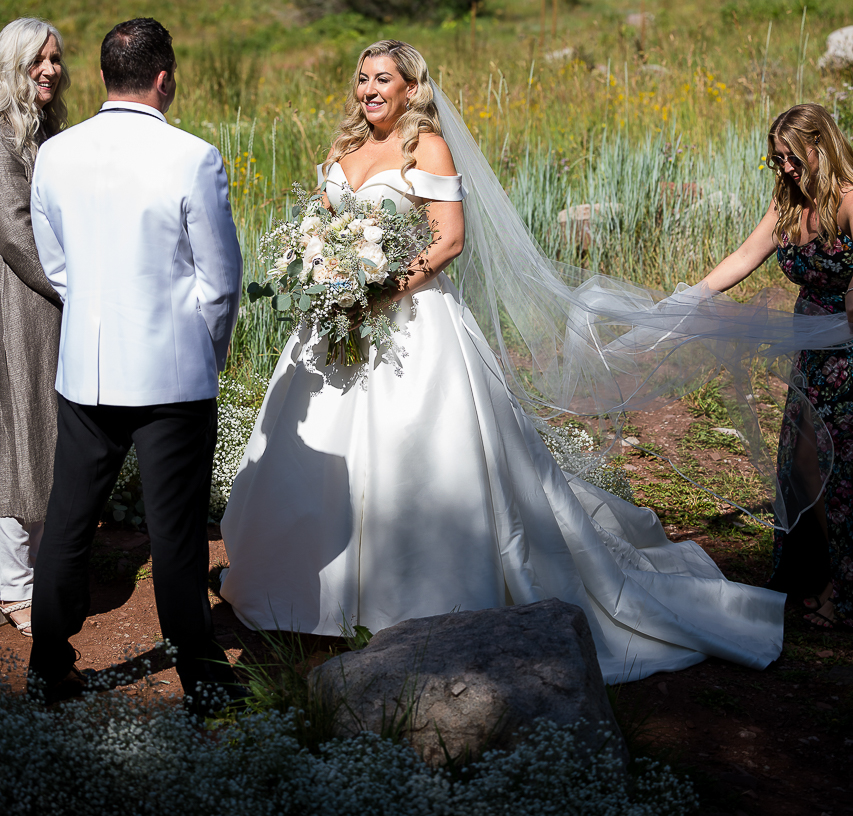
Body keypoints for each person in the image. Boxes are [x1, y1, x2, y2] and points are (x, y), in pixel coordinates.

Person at [220, 40, 788, 684]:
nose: (369, 90)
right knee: (316, 453)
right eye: (362, 79)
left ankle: (409, 599)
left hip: (409, 324)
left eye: (383, 79)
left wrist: (380, 289)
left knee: (418, 453)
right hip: (337, 324)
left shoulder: (424, 146)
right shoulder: (341, 150)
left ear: (411, 88)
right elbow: (319, 228)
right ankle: (304, 592)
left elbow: (450, 237)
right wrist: (322, 271)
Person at [28, 18, 244, 704]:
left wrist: (93, 314)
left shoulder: (56, 153)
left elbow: (54, 263)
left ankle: (46, 668)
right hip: (170, 373)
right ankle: (202, 678)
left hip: (85, 370)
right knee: (175, 530)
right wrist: (205, 352)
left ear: (100, 77)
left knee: (68, 522)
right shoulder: (193, 156)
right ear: (164, 77)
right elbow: (220, 280)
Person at [702, 103, 853, 630]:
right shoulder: (788, 203)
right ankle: (817, 571)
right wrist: (687, 299)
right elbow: (745, 256)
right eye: (777, 161)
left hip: (849, 353)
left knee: (843, 474)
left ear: (822, 147)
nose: (785, 168)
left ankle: (842, 586)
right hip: (811, 353)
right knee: (806, 467)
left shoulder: (851, 201)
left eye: (792, 158)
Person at [0, 19, 68, 639]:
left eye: (55, 58)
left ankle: (41, 569)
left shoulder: (51, 130)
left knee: (44, 430)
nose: (49, 69)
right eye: (35, 61)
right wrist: (74, 286)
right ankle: (14, 586)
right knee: (20, 432)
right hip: (18, 300)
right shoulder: (1, 135)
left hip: (46, 302)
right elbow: (15, 230)